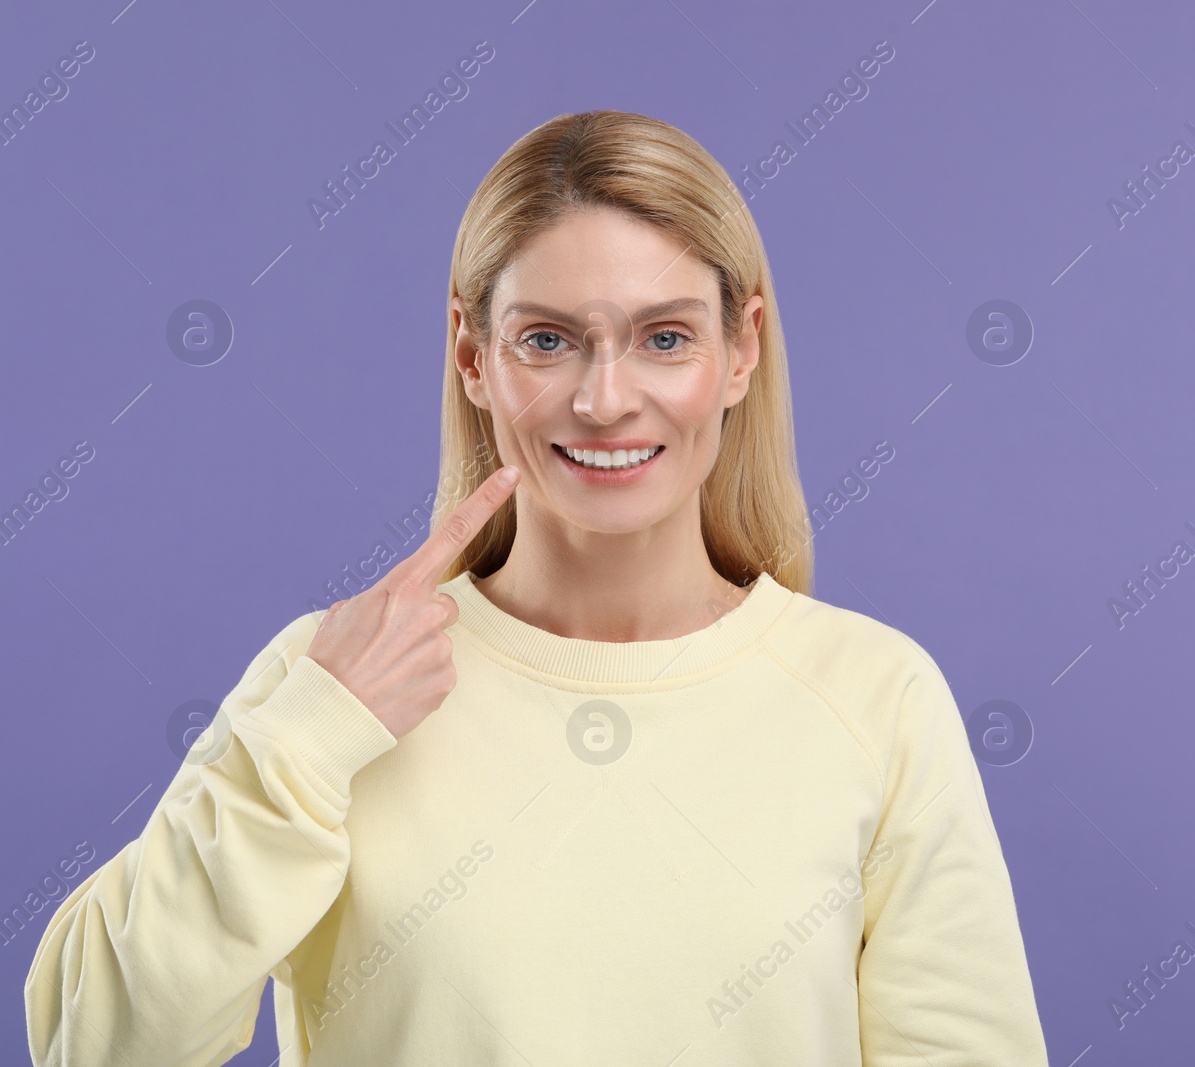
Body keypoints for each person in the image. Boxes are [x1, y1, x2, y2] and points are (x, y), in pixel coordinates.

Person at [23, 109, 1049, 1066]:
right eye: (547, 339)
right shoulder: (331, 679)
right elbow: (97, 1044)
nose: (605, 398)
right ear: (473, 354)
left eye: (665, 337)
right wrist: (302, 738)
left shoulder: (875, 695)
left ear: (742, 349)